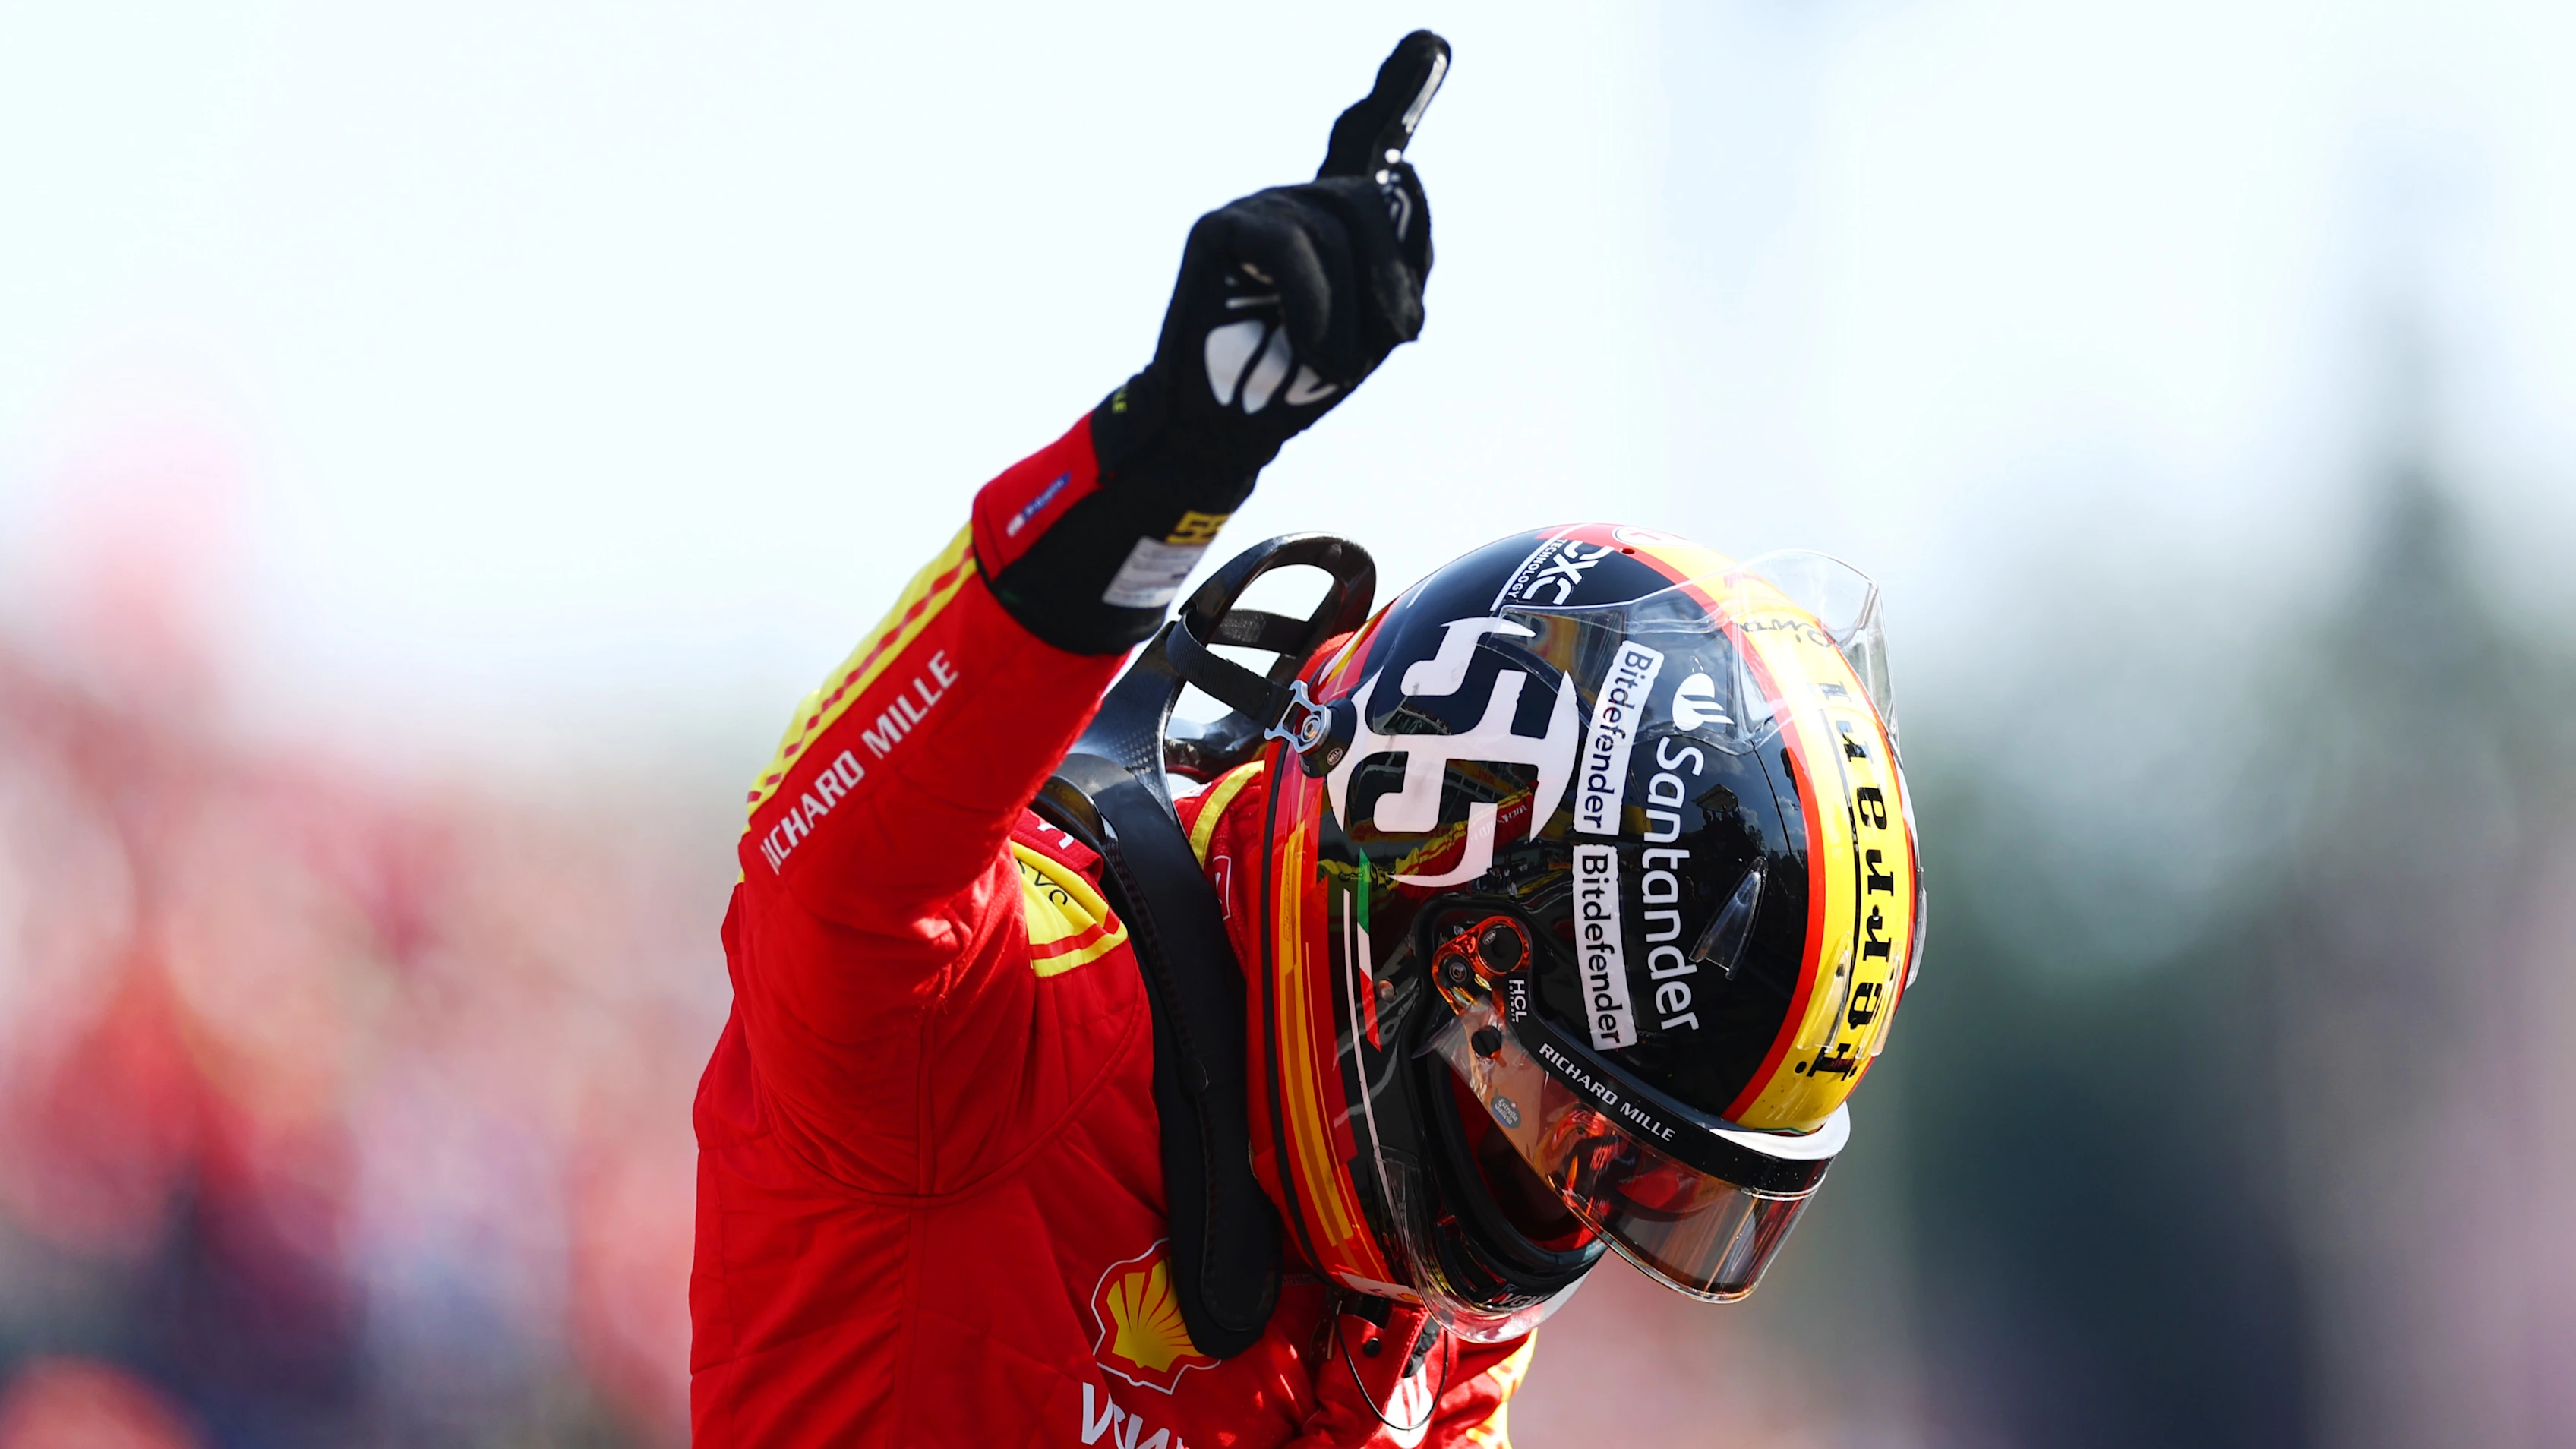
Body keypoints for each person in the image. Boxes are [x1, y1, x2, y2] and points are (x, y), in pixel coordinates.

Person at [690, 33, 1923, 1449]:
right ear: (1438, 949)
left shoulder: (1438, 1333)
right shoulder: (1006, 1027)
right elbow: (834, 878)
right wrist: (1158, 475)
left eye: (1652, 1192)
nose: (1583, 1220)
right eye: (1591, 1150)